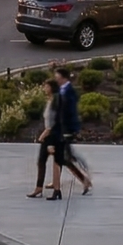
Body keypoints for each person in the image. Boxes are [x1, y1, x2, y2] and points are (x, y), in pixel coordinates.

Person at [52, 65, 93, 196]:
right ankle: (56, 180)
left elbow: (68, 113)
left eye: (57, 77)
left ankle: (84, 179)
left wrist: (65, 130)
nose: (55, 80)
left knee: (64, 158)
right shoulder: (62, 90)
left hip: (66, 129)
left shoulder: (68, 92)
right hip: (61, 129)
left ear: (63, 78)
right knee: (60, 155)